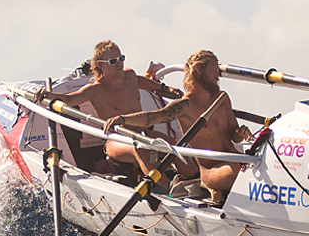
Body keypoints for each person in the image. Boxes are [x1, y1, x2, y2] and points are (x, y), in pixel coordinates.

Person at [34, 40, 190, 184]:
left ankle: (194, 182)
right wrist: (49, 95)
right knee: (141, 149)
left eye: (121, 58)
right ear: (100, 65)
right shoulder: (95, 89)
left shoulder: (130, 76)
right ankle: (171, 191)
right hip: (115, 141)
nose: (119, 64)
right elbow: (70, 100)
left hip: (143, 134)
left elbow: (142, 81)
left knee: (173, 147)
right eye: (113, 61)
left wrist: (164, 89)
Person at [103, 50, 251, 198]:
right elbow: (154, 117)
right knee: (245, 172)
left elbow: (234, 135)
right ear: (199, 70)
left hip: (237, 160)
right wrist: (123, 119)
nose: (217, 76)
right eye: (213, 71)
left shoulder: (222, 98)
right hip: (212, 171)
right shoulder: (185, 106)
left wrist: (241, 133)